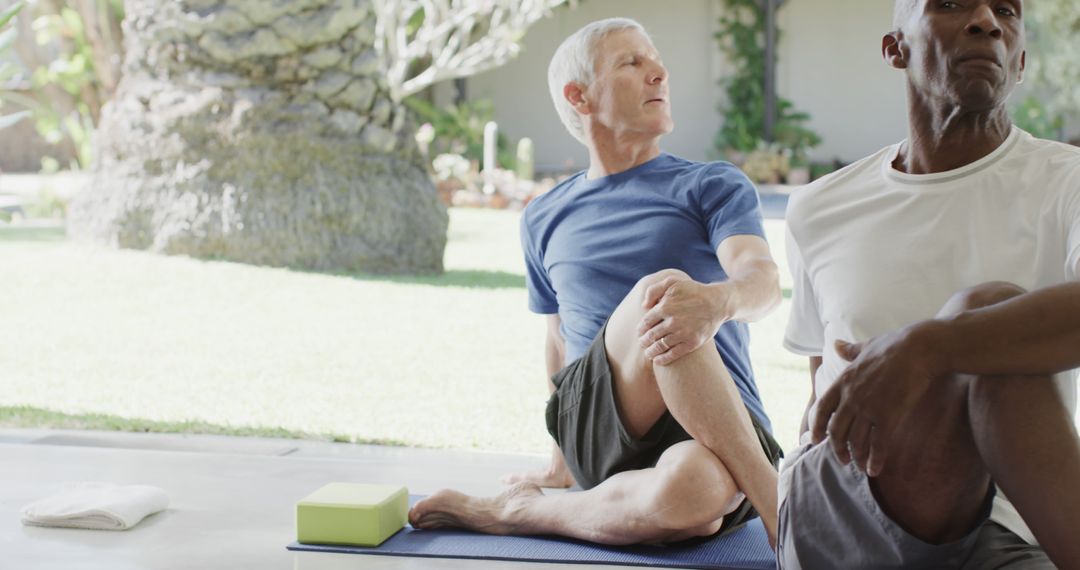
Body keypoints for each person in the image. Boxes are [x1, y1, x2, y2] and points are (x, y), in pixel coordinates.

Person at [408, 18, 785, 546]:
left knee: (696, 494)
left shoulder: (710, 185)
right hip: (601, 427)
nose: (659, 72)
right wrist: (561, 462)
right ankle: (781, 512)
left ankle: (522, 515)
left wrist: (718, 302)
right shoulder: (545, 215)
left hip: (725, 428)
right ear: (579, 97)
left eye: (655, 60)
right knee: (664, 294)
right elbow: (558, 337)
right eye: (632, 62)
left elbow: (762, 280)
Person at [779, 1, 1080, 567]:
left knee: (985, 330)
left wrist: (928, 347)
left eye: (1007, 13)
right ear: (896, 49)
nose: (986, 21)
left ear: (1020, 62)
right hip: (851, 508)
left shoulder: (1068, 183)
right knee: (987, 315)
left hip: (1011, 530)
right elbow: (820, 391)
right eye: (950, 3)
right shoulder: (821, 207)